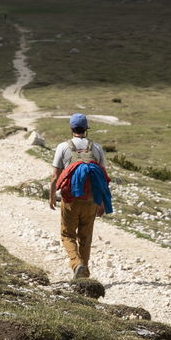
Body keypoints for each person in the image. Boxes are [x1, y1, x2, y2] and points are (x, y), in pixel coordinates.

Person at [49, 113, 107, 279]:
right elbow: (102, 177)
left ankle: (77, 264)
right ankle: (84, 274)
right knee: (85, 237)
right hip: (91, 200)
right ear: (86, 129)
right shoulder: (96, 148)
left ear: (71, 129)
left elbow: (55, 175)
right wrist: (101, 202)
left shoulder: (63, 147)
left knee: (67, 235)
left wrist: (52, 195)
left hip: (70, 200)